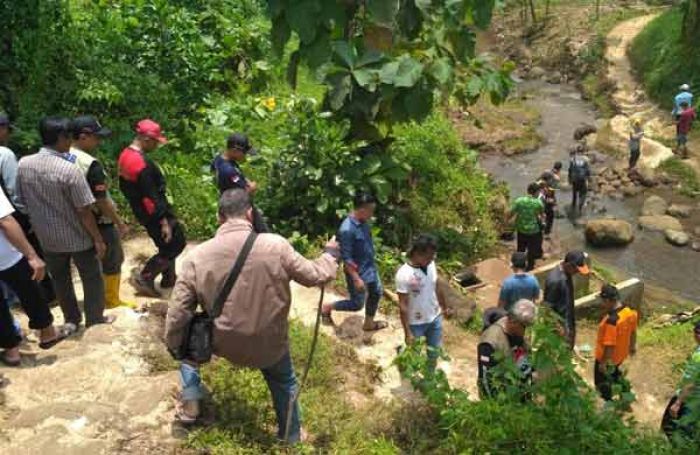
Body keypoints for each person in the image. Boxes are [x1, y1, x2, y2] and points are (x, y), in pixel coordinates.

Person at [165, 189, 340, 442]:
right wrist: (330, 255)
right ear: (250, 213)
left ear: (219, 217)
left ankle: (191, 406)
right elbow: (316, 275)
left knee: (186, 345)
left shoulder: (196, 257)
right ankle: (290, 436)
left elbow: (178, 313)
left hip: (222, 343)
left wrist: (174, 346)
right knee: (284, 382)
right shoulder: (276, 245)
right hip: (269, 345)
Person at [17, 117, 111, 332]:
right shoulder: (69, 170)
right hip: (77, 237)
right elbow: (84, 210)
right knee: (92, 277)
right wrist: (98, 239)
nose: (71, 140)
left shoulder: (24, 164)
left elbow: (22, 201)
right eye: (69, 136)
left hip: (47, 237)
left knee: (60, 279)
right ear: (61, 137)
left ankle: (71, 319)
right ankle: (95, 319)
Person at [70, 116, 133, 309]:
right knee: (113, 258)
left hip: (75, 219)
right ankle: (111, 300)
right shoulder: (90, 163)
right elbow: (101, 199)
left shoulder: (65, 155)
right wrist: (119, 223)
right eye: (96, 137)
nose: (99, 141)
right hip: (99, 219)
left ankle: (96, 298)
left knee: (88, 261)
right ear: (83, 136)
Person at [118, 119, 186, 297]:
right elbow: (151, 196)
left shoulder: (125, 155)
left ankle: (169, 278)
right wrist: (163, 221)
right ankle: (146, 276)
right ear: (146, 139)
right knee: (175, 245)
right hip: (153, 212)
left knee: (166, 244)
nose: (157, 145)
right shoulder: (142, 165)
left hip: (140, 209)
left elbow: (125, 187)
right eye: (156, 142)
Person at [0, 187, 67, 366]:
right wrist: (32, 255)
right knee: (29, 288)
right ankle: (47, 333)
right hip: (5, 254)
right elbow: (6, 221)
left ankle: (11, 350)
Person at [0, 113, 55, 303]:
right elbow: (14, 189)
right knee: (31, 254)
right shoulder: (4, 154)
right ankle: (45, 297)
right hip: (11, 215)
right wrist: (28, 216)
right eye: (6, 129)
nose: (8, 134)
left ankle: (14, 299)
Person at [321, 192, 387, 332]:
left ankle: (368, 323)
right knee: (357, 304)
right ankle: (327, 307)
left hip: (370, 268)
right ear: (362, 210)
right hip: (358, 272)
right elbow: (347, 257)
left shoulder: (363, 222)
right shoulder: (347, 230)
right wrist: (356, 279)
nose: (372, 214)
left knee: (376, 291)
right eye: (371, 211)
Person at [395, 234, 451, 371]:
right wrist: (407, 333)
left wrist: (444, 306)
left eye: (433, 256)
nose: (432, 259)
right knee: (414, 354)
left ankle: (429, 377)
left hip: (434, 317)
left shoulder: (431, 265)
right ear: (418, 254)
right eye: (429, 257)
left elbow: (436, 286)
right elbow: (403, 306)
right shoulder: (404, 274)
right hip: (416, 323)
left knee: (434, 352)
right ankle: (402, 355)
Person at [477, 299, 537, 400]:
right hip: (499, 397)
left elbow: (527, 359)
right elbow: (486, 381)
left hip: (518, 392)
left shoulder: (518, 334)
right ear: (513, 322)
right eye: (524, 327)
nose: (526, 332)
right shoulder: (490, 342)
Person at [211, 133, 268, 233]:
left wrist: (244, 180)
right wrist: (252, 188)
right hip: (238, 208)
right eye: (244, 153)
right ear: (235, 150)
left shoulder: (219, 159)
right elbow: (244, 192)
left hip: (227, 203)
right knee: (261, 234)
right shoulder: (228, 171)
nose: (245, 156)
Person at [594, 284, 638, 402]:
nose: (602, 303)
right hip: (620, 355)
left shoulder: (612, 321)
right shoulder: (629, 312)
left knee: (602, 385)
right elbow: (633, 331)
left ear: (608, 300)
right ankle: (625, 392)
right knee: (615, 374)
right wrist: (632, 346)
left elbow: (609, 345)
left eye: (603, 301)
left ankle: (607, 402)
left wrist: (603, 363)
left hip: (607, 359)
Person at [543, 250, 590, 349]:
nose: (577, 273)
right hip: (558, 323)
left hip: (567, 317)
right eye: (576, 270)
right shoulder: (555, 281)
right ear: (569, 265)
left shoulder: (566, 273)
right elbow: (547, 309)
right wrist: (557, 327)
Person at [662, 321, 700, 442]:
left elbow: (691, 382)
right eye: (696, 331)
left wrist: (678, 403)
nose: (696, 335)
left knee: (671, 428)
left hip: (688, 399)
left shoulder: (698, 356)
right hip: (695, 401)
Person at [509, 182, 544, 272]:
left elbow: (511, 213)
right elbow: (541, 215)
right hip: (533, 231)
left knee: (520, 249)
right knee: (531, 251)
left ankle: (518, 267)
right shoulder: (538, 203)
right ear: (536, 192)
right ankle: (530, 268)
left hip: (521, 230)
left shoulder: (519, 201)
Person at [568, 145, 591, 214]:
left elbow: (570, 170)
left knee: (574, 192)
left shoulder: (572, 159)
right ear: (583, 151)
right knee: (583, 193)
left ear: (577, 151)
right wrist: (588, 179)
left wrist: (569, 179)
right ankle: (580, 209)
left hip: (574, 179)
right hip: (582, 179)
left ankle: (573, 205)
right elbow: (588, 171)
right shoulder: (586, 159)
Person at [538, 172, 557, 239]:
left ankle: (541, 231)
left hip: (539, 205)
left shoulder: (538, 184)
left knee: (541, 218)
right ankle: (546, 233)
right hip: (546, 205)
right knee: (550, 218)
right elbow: (551, 196)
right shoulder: (549, 186)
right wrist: (554, 203)